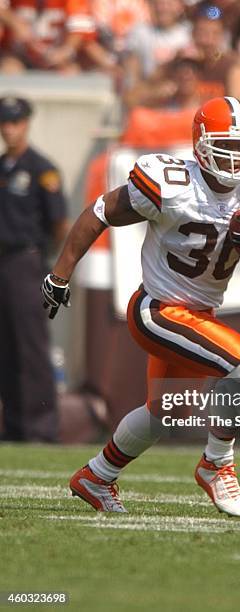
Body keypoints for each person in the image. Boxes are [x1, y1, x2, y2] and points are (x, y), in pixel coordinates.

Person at [41, 96, 240, 517]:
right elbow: (98, 213)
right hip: (157, 310)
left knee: (164, 413)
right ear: (200, 144)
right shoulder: (172, 183)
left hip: (199, 316)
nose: (236, 157)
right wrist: (60, 274)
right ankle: (217, 465)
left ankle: (96, 476)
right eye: (226, 145)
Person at [0, 96, 69, 441]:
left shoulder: (42, 169)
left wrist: (44, 260)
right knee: (6, 345)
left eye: (14, 122)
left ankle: (41, 427)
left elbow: (59, 223)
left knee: (30, 345)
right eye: (4, 123)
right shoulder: (2, 167)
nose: (9, 129)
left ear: (26, 123)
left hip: (25, 260)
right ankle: (13, 425)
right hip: (2, 262)